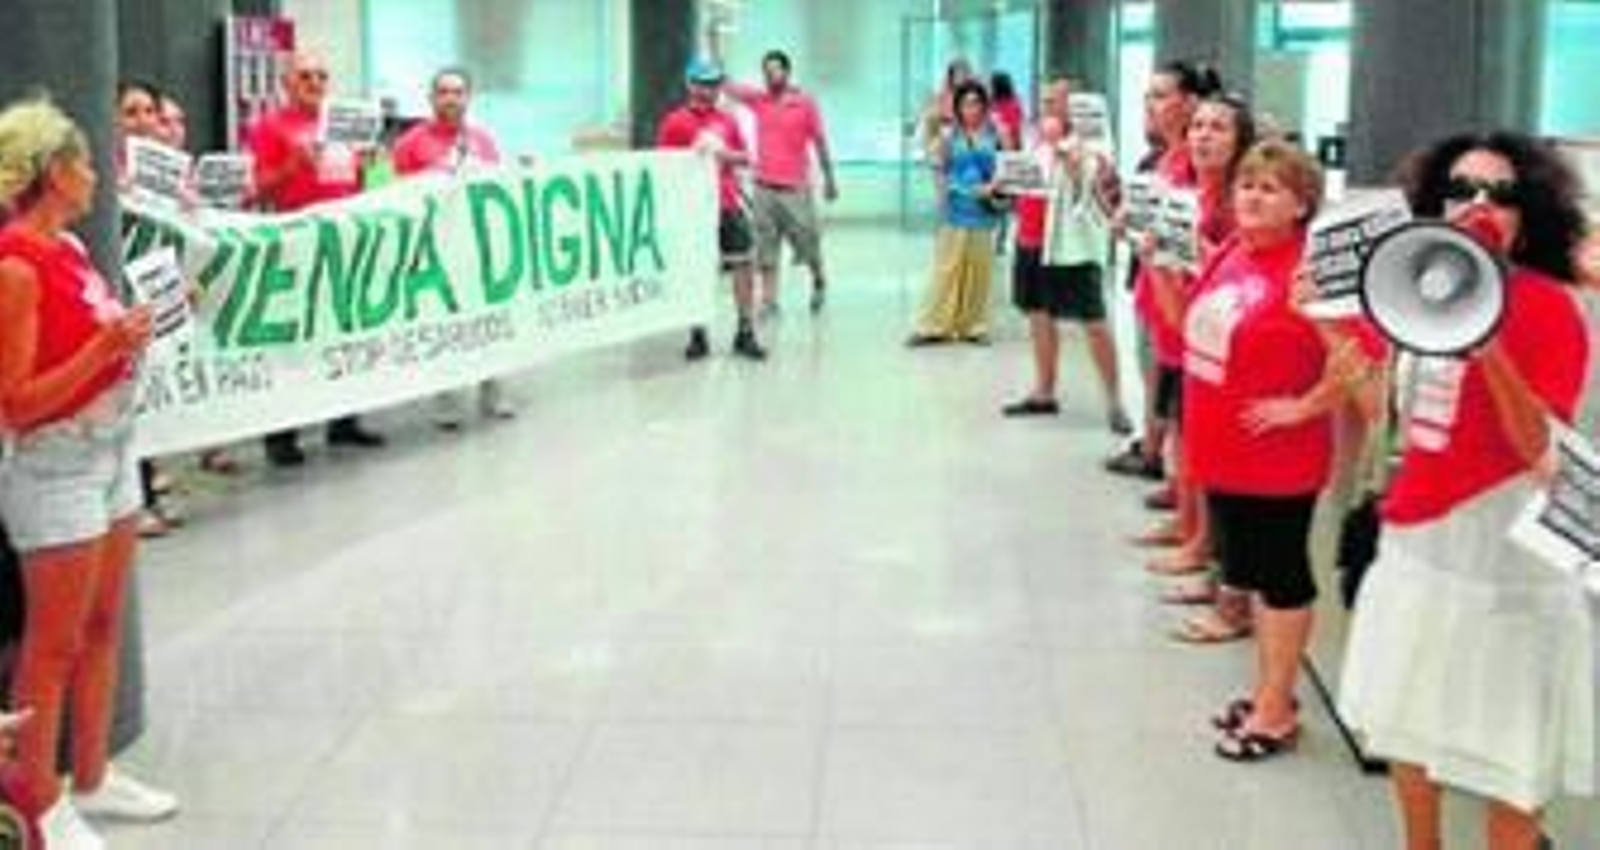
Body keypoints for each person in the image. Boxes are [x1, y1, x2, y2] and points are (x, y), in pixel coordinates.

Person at [1337, 132, 1594, 850]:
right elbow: (1392, 420)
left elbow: (1541, 450)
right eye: (1461, 189)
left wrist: (1490, 348)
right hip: (1420, 547)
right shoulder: (1418, 290)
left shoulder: (1549, 307)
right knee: (1409, 719)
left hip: (1507, 559)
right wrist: (1331, 335)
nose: (1479, 205)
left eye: (1501, 194)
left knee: (1511, 747)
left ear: (1528, 214)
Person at [0, 97, 179, 850]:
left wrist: (134, 335)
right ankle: (35, 803)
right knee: (52, 644)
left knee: (104, 623)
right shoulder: (16, 266)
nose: (98, 175)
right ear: (53, 171)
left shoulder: (69, 249)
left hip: (111, 449)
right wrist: (105, 350)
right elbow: (16, 403)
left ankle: (94, 776)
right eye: (85, 161)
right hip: (57, 465)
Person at [1179, 140, 1358, 762]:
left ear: (1301, 205)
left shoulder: (1308, 270)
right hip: (1223, 448)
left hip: (1275, 459)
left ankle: (1276, 709)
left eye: (1270, 188)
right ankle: (1268, 690)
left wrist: (1306, 405)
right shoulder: (1235, 250)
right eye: (1247, 185)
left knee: (1281, 578)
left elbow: (1359, 358)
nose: (1252, 196)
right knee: (1253, 577)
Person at [248, 52, 386, 466]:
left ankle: (344, 421)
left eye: (321, 75)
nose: (314, 82)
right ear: (286, 83)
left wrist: (368, 167)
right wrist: (291, 166)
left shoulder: (344, 125)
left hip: (343, 244)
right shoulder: (269, 127)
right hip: (295, 246)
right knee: (292, 342)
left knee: (343, 333)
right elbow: (255, 190)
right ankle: (281, 435)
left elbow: (356, 186)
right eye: (305, 75)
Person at [999, 77, 1128, 433]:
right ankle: (1044, 391)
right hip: (1030, 241)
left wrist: (1066, 152)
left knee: (1094, 322)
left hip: (1071, 249)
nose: (1047, 107)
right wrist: (1002, 183)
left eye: (1055, 101)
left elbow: (1090, 186)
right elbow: (1027, 180)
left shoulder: (1093, 143)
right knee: (1038, 315)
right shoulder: (1037, 139)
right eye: (1044, 100)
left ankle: (1115, 401)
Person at [391, 67, 517, 429]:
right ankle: (445, 397)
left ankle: (492, 388)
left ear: (468, 98)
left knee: (487, 318)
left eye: (458, 92)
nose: (451, 99)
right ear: (431, 98)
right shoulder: (410, 143)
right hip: (435, 248)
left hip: (476, 246)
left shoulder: (483, 141)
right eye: (444, 92)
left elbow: (497, 186)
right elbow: (397, 195)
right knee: (442, 322)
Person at [656, 59, 767, 361]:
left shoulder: (727, 121)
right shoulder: (674, 122)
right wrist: (691, 157)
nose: (709, 90)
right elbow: (661, 166)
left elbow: (746, 158)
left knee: (743, 263)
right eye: (703, 84)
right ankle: (697, 333)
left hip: (727, 202)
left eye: (714, 84)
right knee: (696, 268)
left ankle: (745, 331)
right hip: (692, 208)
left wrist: (724, 154)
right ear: (690, 85)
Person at [723, 49, 838, 316]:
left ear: (787, 72)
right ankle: (769, 302)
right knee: (766, 248)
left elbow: (820, 142)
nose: (770, 75)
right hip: (763, 186)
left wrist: (830, 179)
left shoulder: (805, 104)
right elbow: (728, 87)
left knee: (808, 242)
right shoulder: (759, 99)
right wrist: (715, 45)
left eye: (775, 70)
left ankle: (818, 278)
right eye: (766, 71)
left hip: (795, 188)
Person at [907, 80, 1000, 346]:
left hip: (983, 211)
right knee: (947, 269)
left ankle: (974, 326)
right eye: (966, 104)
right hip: (956, 209)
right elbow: (939, 170)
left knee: (979, 270)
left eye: (976, 103)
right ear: (958, 108)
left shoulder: (994, 136)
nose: (972, 109)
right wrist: (943, 199)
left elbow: (1005, 169)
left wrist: (993, 187)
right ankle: (933, 325)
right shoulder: (949, 137)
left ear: (984, 106)